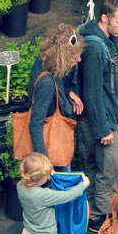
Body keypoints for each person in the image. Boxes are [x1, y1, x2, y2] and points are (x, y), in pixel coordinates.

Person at [76, 0, 118, 231]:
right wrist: (103, 128)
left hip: (104, 119)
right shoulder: (96, 49)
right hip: (98, 124)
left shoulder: (104, 40)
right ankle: (101, 218)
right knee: (108, 171)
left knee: (94, 168)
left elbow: (107, 88)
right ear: (104, 18)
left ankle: (92, 212)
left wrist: (115, 112)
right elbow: (92, 93)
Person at [27, 23, 83, 161]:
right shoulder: (46, 83)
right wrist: (44, 162)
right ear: (62, 57)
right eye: (74, 58)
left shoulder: (45, 63)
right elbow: (35, 123)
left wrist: (68, 93)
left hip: (52, 140)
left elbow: (57, 82)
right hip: (51, 147)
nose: (79, 60)